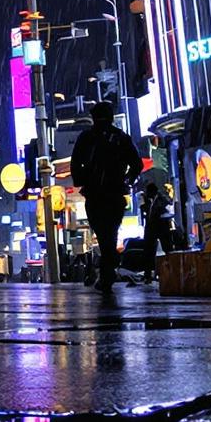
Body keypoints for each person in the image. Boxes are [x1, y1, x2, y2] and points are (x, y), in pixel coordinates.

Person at [68, 102, 143, 294]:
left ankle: (108, 270)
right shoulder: (120, 138)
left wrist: (83, 179)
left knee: (104, 234)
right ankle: (108, 268)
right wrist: (127, 179)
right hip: (112, 193)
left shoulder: (88, 138)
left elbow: (76, 163)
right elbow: (137, 164)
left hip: (98, 193)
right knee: (109, 233)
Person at [136, 181, 176, 279]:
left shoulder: (161, 199)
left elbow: (167, 210)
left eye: (147, 191)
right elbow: (145, 209)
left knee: (167, 249)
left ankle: (172, 271)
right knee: (149, 251)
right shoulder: (148, 199)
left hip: (161, 226)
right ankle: (148, 275)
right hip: (151, 226)